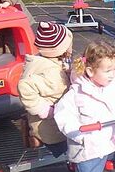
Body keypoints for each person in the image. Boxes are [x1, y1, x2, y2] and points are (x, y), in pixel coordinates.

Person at [54, 40, 115, 172]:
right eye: (108, 71)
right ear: (90, 71)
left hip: (114, 142)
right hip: (89, 148)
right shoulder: (76, 94)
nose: (113, 74)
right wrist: (81, 134)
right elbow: (64, 117)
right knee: (88, 168)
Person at [17, 21, 73, 157]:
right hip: (52, 129)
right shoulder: (51, 72)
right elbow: (24, 86)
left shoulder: (41, 61)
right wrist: (45, 110)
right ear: (62, 49)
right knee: (77, 151)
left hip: (48, 124)